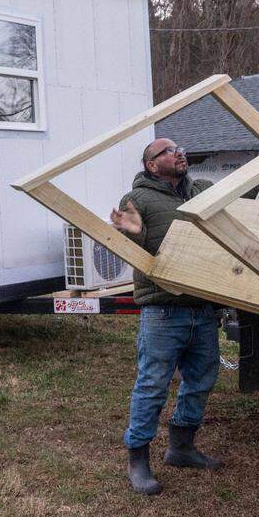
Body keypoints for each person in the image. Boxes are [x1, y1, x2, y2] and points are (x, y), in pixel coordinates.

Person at [110, 137, 222, 496]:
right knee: (153, 384)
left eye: (181, 150)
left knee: (202, 378)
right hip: (162, 309)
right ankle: (138, 458)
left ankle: (182, 447)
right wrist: (131, 234)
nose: (179, 154)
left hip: (202, 304)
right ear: (151, 165)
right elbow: (130, 254)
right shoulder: (137, 200)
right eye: (169, 151)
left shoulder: (200, 190)